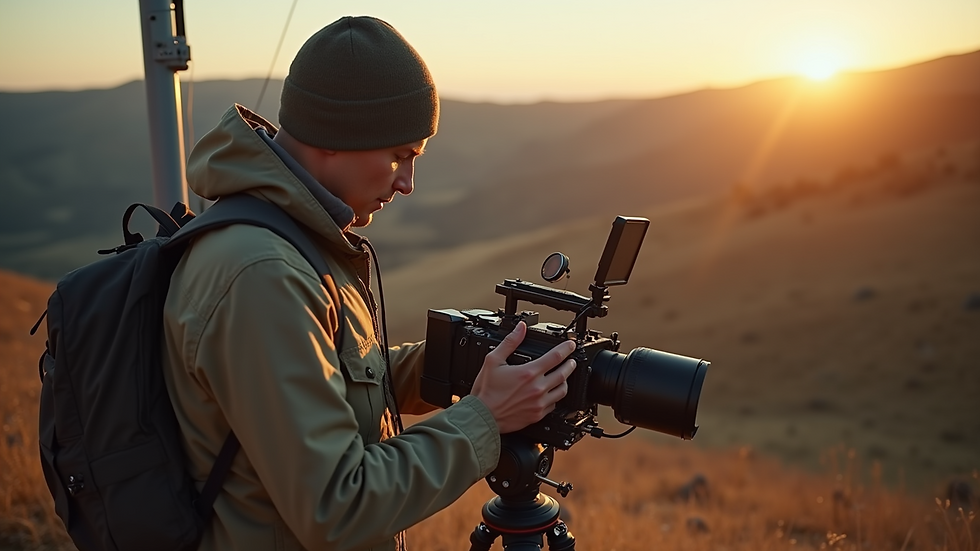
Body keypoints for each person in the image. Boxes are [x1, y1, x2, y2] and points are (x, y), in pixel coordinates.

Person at [162, 15, 577, 551]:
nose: (407, 182)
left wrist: (472, 357)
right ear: (336, 136)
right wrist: (485, 421)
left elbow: (340, 380)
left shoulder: (296, 240)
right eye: (399, 156)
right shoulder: (263, 275)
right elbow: (338, 504)